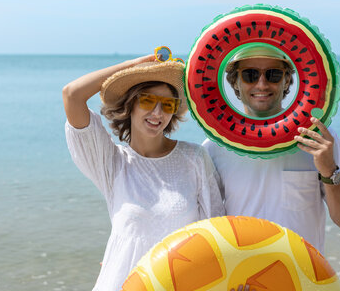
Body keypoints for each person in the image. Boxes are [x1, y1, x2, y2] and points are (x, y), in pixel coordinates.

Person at [63, 50, 225, 290]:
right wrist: (134, 65)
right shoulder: (112, 162)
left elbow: (216, 234)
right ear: (130, 105)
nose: (157, 113)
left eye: (167, 105)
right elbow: (72, 95)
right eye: (148, 101)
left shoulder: (195, 158)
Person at [203, 43, 340, 253]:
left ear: (287, 79)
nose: (262, 84)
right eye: (250, 75)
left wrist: (329, 170)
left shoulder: (319, 138)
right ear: (235, 81)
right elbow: (206, 230)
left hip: (303, 281)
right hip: (242, 282)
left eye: (274, 74)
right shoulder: (215, 147)